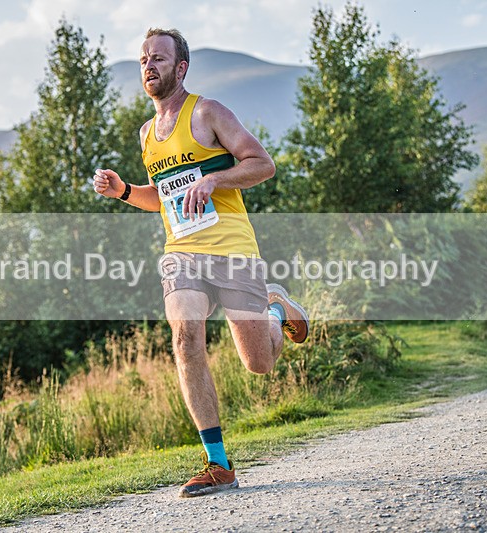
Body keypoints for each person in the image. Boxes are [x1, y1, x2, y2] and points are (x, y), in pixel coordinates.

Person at [92, 27, 309, 498]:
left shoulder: (208, 112)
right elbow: (163, 198)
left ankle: (276, 308)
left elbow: (262, 163)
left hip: (231, 247)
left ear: (181, 67)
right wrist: (123, 191)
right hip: (182, 253)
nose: (149, 66)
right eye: (143, 59)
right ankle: (218, 463)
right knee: (184, 335)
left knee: (259, 363)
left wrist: (215, 180)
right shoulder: (147, 134)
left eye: (159, 58)